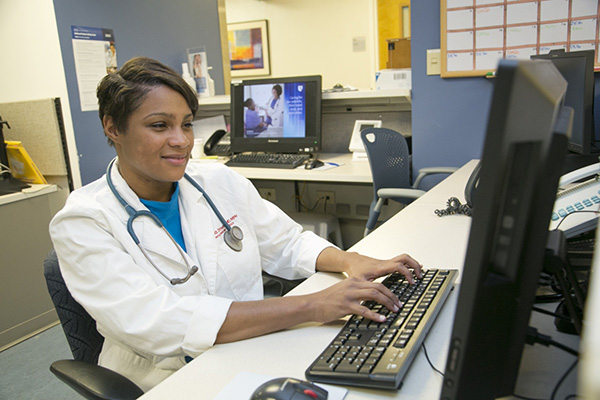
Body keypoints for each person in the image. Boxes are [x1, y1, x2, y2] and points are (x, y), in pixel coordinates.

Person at [49, 57, 422, 392]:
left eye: (187, 124)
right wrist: (314, 306)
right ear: (112, 127)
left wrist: (347, 261)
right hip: (165, 379)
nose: (181, 142)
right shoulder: (83, 220)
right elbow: (155, 321)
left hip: (248, 349)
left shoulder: (217, 182)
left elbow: (286, 241)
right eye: (160, 125)